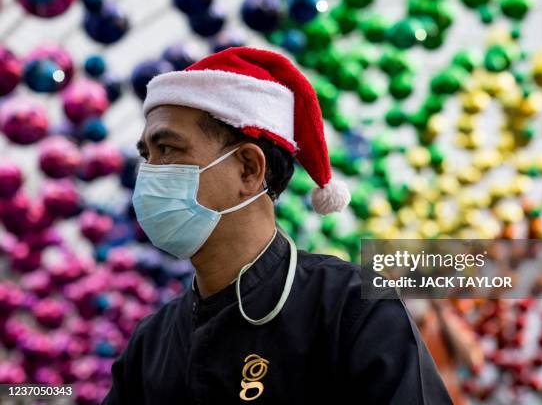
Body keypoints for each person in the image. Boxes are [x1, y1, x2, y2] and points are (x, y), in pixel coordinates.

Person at [103, 46, 451, 404]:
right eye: (146, 155)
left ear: (249, 169)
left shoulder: (348, 306)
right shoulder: (150, 345)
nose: (147, 174)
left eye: (168, 149)